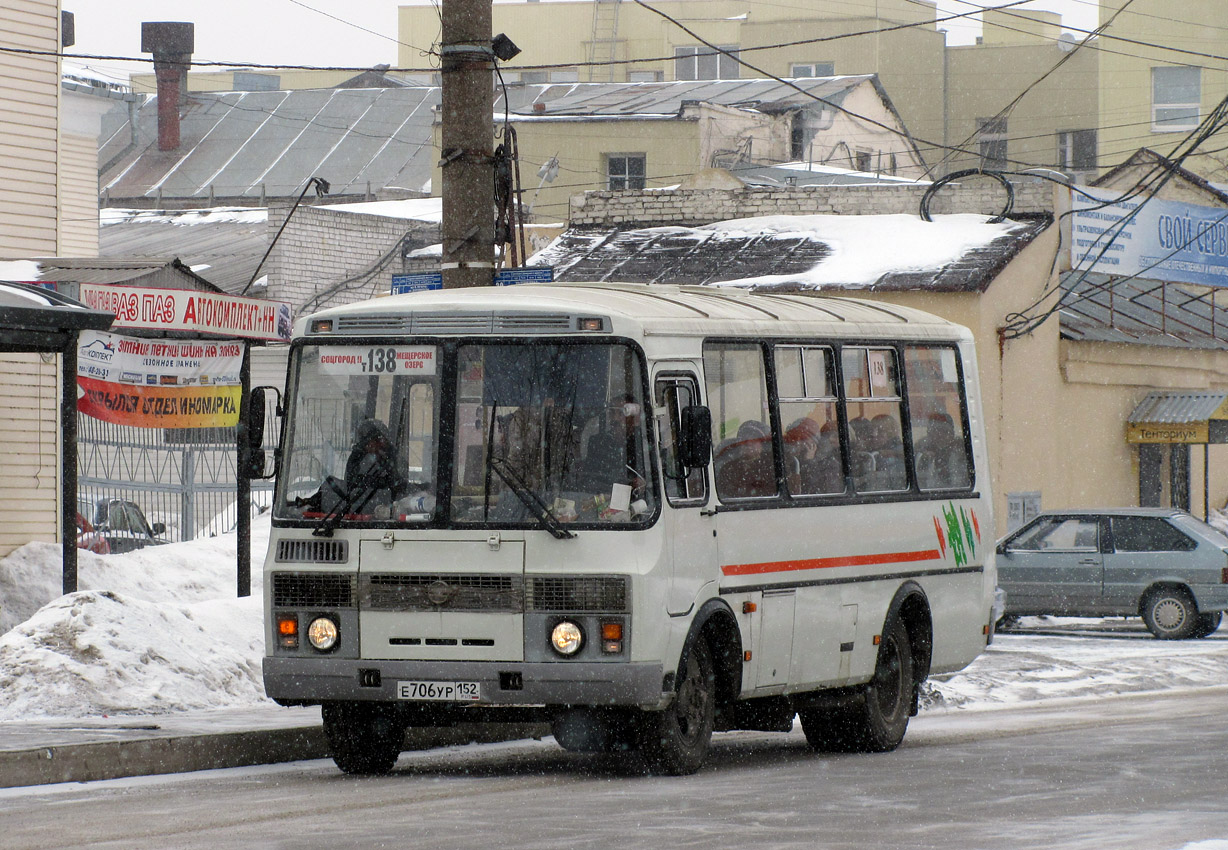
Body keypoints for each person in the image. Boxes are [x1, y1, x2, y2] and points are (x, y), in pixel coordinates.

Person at [716, 420, 775, 499]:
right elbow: (724, 497)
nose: (748, 443)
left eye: (754, 439)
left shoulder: (771, 468)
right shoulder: (727, 468)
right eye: (744, 439)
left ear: (763, 445)